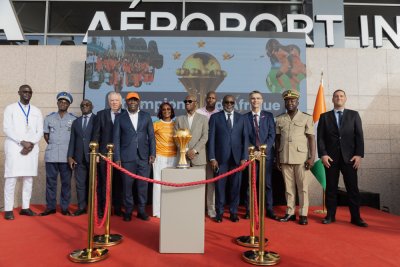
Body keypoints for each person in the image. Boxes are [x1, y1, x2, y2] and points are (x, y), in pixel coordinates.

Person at [317, 89, 367, 227]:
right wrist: (323, 154)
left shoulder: (354, 115)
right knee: (331, 188)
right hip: (330, 159)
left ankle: (356, 217)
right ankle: (330, 216)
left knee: (352, 189)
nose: (338, 98)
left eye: (341, 96)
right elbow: (320, 138)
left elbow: (359, 136)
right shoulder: (324, 117)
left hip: (350, 158)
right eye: (336, 96)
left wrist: (358, 154)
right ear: (332, 99)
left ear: (345, 99)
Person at [113, 92, 156, 222]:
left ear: (138, 102)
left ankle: (142, 211)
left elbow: (152, 137)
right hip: (126, 157)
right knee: (127, 186)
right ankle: (128, 211)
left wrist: (152, 153)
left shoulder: (146, 116)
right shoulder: (120, 117)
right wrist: (117, 157)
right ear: (126, 102)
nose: (132, 102)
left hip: (144, 157)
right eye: (130, 100)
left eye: (135, 100)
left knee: (143, 186)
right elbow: (116, 139)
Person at [3, 85, 43, 220]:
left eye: (29, 92)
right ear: (19, 92)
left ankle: (25, 207)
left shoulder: (37, 110)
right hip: (15, 147)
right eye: (24, 91)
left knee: (28, 179)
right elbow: (7, 128)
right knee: (11, 178)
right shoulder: (11, 108)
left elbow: (40, 131)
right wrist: (22, 142)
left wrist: (30, 144)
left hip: (31, 149)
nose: (27, 94)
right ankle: (8, 209)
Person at [275, 89, 315, 225]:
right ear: (284, 103)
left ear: (298, 102)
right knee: (289, 188)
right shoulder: (280, 119)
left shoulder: (306, 117)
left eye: (293, 100)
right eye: (287, 101)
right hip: (285, 157)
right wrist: (277, 158)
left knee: (302, 187)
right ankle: (290, 212)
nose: (290, 103)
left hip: (301, 158)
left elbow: (311, 138)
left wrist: (312, 157)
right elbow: (277, 139)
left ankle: (303, 214)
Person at [208, 95, 248, 223]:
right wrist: (212, 158)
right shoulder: (215, 117)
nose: (229, 104)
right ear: (222, 103)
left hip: (237, 160)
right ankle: (219, 213)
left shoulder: (241, 118)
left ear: (234, 103)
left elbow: (245, 139)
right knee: (220, 187)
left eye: (231, 102)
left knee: (235, 187)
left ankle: (233, 212)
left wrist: (244, 157)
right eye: (227, 102)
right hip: (220, 159)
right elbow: (211, 139)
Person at [40, 92, 77, 216]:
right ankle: (50, 207)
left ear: (69, 105)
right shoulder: (49, 118)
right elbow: (46, 135)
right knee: (51, 182)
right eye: (61, 101)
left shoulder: (73, 119)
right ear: (57, 103)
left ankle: (65, 208)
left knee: (66, 183)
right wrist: (54, 144)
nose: (63, 104)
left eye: (66, 102)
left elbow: (75, 138)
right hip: (52, 156)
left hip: (67, 157)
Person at [244, 90, 277, 220]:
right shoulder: (244, 117)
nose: (255, 101)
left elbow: (272, 135)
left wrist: (262, 151)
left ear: (262, 100)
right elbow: (244, 137)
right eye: (253, 98)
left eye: (258, 98)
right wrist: (253, 152)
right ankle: (249, 210)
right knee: (251, 184)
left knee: (267, 184)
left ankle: (269, 209)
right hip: (251, 156)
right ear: (249, 101)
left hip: (265, 156)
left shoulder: (268, 116)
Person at [92, 92, 126, 218]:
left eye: (116, 100)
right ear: (108, 101)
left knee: (118, 183)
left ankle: (117, 208)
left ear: (121, 102)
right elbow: (96, 135)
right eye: (111, 100)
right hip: (103, 155)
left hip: (120, 156)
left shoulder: (125, 114)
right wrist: (95, 154)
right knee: (103, 183)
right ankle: (102, 210)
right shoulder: (101, 115)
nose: (114, 102)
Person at [67, 99, 96, 216]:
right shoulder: (76, 122)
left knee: (94, 184)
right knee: (80, 184)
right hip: (79, 158)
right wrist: (70, 156)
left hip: (93, 157)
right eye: (82, 105)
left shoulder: (97, 119)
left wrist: (99, 155)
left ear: (92, 106)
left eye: (87, 104)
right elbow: (72, 140)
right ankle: (81, 207)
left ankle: (94, 208)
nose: (85, 106)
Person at [196, 91, 219, 218]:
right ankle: (198, 207)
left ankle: (211, 208)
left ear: (216, 100)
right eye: (209, 97)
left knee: (211, 181)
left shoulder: (219, 114)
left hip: (213, 152)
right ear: (205, 99)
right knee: (198, 180)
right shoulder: (199, 112)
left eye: (213, 98)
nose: (210, 99)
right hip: (199, 150)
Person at [152, 102, 177, 218]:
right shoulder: (156, 124)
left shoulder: (176, 124)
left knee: (172, 184)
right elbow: (150, 140)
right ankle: (157, 211)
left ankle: (171, 209)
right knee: (158, 184)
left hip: (174, 157)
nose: (166, 111)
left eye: (168, 109)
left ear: (172, 111)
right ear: (160, 112)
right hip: (159, 157)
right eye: (164, 109)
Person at [175, 94, 209, 167]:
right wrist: (186, 151)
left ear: (196, 104)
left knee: (200, 179)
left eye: (190, 101)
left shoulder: (203, 119)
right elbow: (176, 138)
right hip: (183, 158)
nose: (187, 103)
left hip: (199, 158)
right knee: (183, 179)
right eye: (185, 101)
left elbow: (205, 136)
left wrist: (194, 151)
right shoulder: (179, 119)